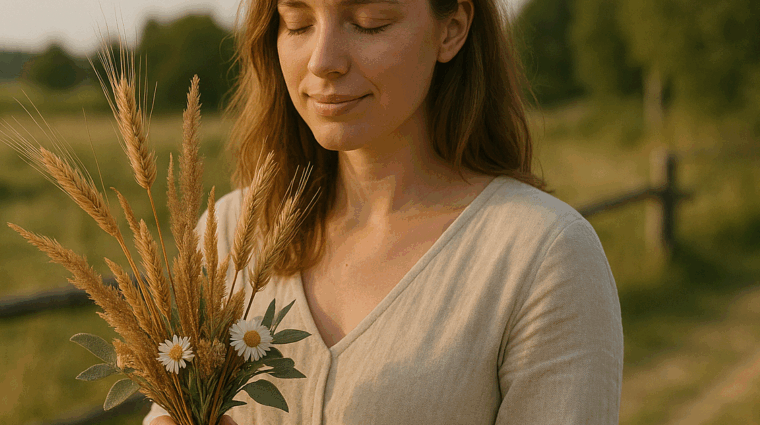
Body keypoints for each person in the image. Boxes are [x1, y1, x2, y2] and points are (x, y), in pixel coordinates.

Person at [147, 0, 623, 423]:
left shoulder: (542, 256)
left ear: (451, 29)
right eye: (297, 22)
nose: (323, 61)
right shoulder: (227, 233)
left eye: (369, 23)